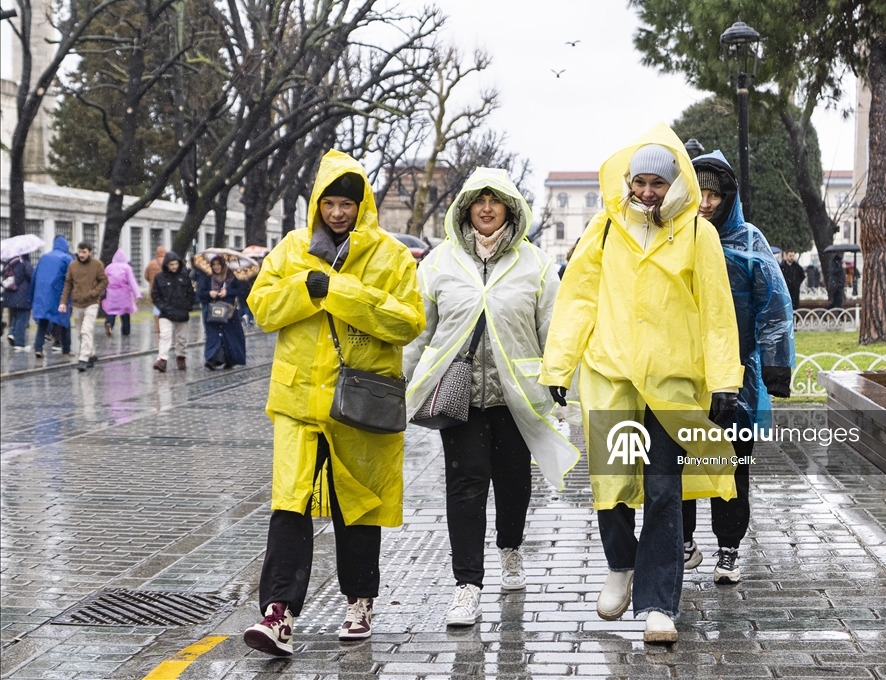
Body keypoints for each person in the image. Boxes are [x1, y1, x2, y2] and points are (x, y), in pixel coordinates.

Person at [541, 124, 743, 643]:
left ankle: (658, 604)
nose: (648, 192)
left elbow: (717, 311)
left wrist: (725, 380)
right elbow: (578, 299)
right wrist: (559, 366)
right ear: (629, 181)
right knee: (610, 484)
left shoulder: (698, 234)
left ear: (675, 184)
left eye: (658, 183)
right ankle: (620, 565)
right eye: (641, 182)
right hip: (611, 377)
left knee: (662, 490)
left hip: (672, 384)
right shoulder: (605, 228)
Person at [243, 149, 425, 656]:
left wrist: (339, 291)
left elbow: (408, 321)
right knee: (290, 503)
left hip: (360, 401)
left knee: (358, 505)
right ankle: (278, 613)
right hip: (298, 400)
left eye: (348, 204)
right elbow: (262, 308)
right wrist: (306, 287)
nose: (338, 213)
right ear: (317, 204)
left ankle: (359, 601)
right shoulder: (292, 248)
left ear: (362, 205)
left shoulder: (390, 255)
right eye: (330, 203)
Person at [404, 168, 579, 628]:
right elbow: (419, 329)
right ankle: (467, 585)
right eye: (478, 200)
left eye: (495, 200)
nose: (486, 208)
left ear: (509, 208)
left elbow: (554, 326)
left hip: (516, 394)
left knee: (513, 482)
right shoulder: (439, 263)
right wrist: (399, 380)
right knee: (465, 485)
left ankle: (510, 548)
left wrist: (560, 377)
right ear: (465, 208)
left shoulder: (535, 264)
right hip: (458, 394)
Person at [685, 151, 794, 584]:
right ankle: (683, 541)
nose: (705, 203)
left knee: (730, 463)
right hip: (682, 373)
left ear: (728, 198)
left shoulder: (749, 242)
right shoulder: (676, 236)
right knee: (679, 460)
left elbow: (774, 305)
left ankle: (728, 547)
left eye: (714, 194)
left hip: (737, 376)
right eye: (698, 193)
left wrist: (776, 367)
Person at [58, 242, 108, 372]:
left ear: (90, 252)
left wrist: (94, 293)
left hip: (92, 303)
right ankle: (91, 354)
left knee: (86, 330)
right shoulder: (73, 265)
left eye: (84, 252)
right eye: (80, 252)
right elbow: (68, 284)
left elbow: (104, 281)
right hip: (77, 303)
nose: (81, 254)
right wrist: (63, 302)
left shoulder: (97, 265)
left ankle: (83, 359)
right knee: (80, 333)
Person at [196, 256, 247, 370]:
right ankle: (213, 359)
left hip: (229, 312)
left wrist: (228, 292)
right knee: (214, 336)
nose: (216, 267)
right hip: (213, 312)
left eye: (218, 264)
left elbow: (241, 290)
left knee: (230, 336)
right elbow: (200, 293)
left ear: (223, 265)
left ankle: (230, 359)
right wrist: (210, 293)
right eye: (214, 264)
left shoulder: (231, 277)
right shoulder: (208, 278)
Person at [149, 252, 195, 371]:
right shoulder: (159, 277)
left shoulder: (184, 276)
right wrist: (163, 307)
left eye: (176, 264)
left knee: (181, 338)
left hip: (181, 311)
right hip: (166, 312)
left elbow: (190, 293)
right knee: (165, 335)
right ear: (166, 265)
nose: (174, 266)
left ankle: (181, 356)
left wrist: (187, 306)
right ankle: (162, 360)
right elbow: (155, 295)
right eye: (171, 264)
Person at [29, 237, 74, 358]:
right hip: (59, 295)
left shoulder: (44, 257)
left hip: (43, 295)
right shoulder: (67, 258)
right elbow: (71, 278)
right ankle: (66, 350)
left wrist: (31, 296)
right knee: (65, 322)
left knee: (43, 322)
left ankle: (38, 348)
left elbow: (34, 277)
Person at [102, 249, 142, 336]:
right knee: (125, 313)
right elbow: (132, 282)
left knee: (111, 312)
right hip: (124, 294)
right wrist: (137, 294)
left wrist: (102, 293)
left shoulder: (109, 268)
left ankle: (109, 323)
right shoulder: (127, 268)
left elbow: (103, 281)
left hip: (111, 294)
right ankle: (126, 331)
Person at [2, 254, 34, 350]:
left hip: (11, 296)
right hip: (23, 296)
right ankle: (20, 343)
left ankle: (12, 333)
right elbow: (32, 277)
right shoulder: (25, 264)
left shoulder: (9, 263)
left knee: (16, 316)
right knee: (22, 319)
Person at [145, 246, 167, 336]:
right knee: (166, 307)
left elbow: (146, 276)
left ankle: (157, 326)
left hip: (154, 288)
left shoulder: (151, 263)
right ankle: (165, 325)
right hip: (165, 289)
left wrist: (151, 281)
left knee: (157, 306)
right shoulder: (167, 262)